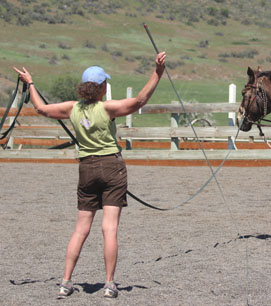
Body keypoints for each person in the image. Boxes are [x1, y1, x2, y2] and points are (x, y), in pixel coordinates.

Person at [13, 51, 166, 299]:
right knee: (110, 228)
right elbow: (139, 101)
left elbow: (40, 108)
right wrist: (157, 72)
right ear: (102, 87)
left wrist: (30, 83)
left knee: (80, 230)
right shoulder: (108, 108)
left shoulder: (72, 109)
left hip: (86, 169)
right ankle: (109, 285)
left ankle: (65, 282)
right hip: (112, 168)